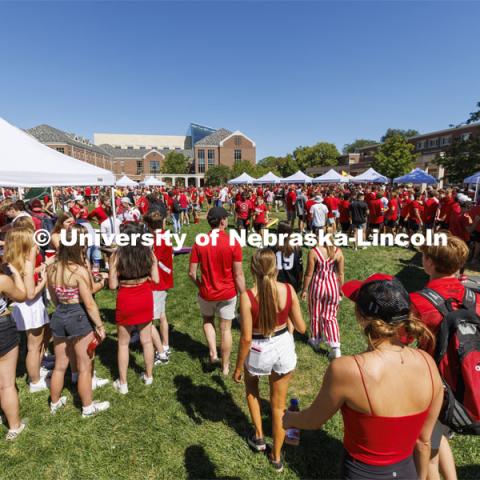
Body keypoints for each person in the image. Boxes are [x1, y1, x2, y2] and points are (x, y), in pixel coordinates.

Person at [283, 273, 443, 480]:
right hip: (407, 471)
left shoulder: (347, 369)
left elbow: (313, 420)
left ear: (361, 317)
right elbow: (423, 442)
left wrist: (289, 419)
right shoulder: (428, 364)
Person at [233, 249, 306, 472]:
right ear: (276, 268)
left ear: (252, 269)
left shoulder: (247, 296)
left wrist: (238, 367)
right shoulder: (288, 289)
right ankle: (276, 458)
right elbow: (302, 328)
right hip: (283, 344)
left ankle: (258, 435)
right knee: (278, 407)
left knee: (252, 389)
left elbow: (245, 338)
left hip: (257, 348)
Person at [410, 234, 473, 480]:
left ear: (429, 263)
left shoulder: (418, 301)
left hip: (435, 386)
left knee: (428, 454)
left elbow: (402, 343)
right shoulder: (475, 297)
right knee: (440, 435)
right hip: (465, 380)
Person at [47, 226, 110, 417]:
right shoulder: (79, 271)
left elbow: (53, 296)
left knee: (60, 364)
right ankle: (87, 407)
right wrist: (100, 325)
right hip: (78, 316)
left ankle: (55, 402)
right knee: (85, 366)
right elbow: (89, 302)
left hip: (58, 315)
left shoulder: (52, 267)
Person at [188, 207, 246, 376]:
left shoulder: (200, 241)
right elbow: (238, 273)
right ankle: (226, 366)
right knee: (226, 329)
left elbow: (191, 273)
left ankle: (213, 353)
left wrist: (200, 285)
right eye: (226, 218)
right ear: (222, 221)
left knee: (207, 320)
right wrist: (244, 295)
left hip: (206, 292)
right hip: (228, 293)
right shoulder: (232, 241)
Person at [109, 223, 159, 393]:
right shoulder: (148, 253)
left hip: (126, 297)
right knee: (146, 341)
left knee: (123, 344)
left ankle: (123, 383)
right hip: (144, 295)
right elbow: (157, 279)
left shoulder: (116, 256)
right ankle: (149, 376)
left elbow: (112, 284)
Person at [4, 228, 50, 393]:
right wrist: (43, 281)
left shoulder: (9, 261)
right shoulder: (27, 263)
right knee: (34, 347)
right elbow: (30, 294)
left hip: (18, 308)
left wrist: (38, 270)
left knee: (32, 345)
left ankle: (37, 371)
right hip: (31, 308)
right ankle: (35, 380)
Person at [0, 232, 34, 439]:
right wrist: (15, 273)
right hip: (2, 327)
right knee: (6, 382)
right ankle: (14, 426)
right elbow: (22, 295)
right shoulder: (3, 280)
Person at [302, 232, 344, 359]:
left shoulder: (314, 252)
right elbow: (341, 273)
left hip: (318, 286)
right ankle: (335, 346)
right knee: (330, 316)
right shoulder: (338, 252)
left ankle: (315, 339)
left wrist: (304, 289)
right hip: (332, 287)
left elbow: (309, 274)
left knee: (315, 313)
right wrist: (341, 289)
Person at [144, 211, 173, 365]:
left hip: (157, 281)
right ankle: (165, 344)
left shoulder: (155, 239)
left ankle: (160, 350)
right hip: (163, 279)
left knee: (152, 318)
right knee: (161, 314)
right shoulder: (164, 236)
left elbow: (152, 260)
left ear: (148, 225)